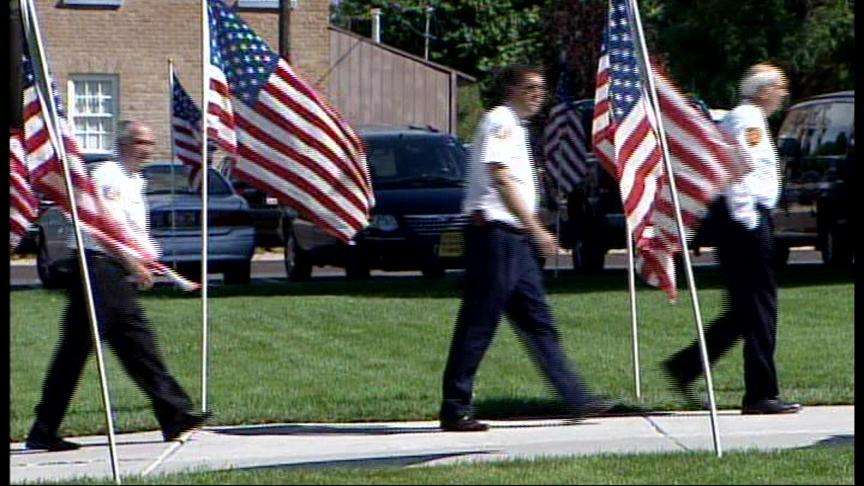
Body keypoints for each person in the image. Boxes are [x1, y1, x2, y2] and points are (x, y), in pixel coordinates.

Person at [439, 65, 613, 432]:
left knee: (538, 321)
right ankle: (455, 408)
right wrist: (537, 229)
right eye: (530, 87)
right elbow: (499, 175)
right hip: (495, 235)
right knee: (479, 323)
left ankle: (576, 398)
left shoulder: (519, 127)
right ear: (512, 88)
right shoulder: (499, 120)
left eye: (542, 88)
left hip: (514, 240)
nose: (538, 94)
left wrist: (532, 226)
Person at [26, 121, 210, 451]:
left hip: (108, 271)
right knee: (136, 343)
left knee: (85, 351)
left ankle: (44, 428)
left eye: (151, 143)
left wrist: (144, 260)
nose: (148, 149)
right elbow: (100, 227)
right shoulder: (108, 176)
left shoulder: (132, 180)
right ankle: (175, 412)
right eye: (142, 142)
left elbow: (127, 230)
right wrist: (131, 263)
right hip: (98, 267)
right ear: (124, 143)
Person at [662, 63, 802, 415]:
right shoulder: (748, 119)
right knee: (760, 308)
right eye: (779, 86)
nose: (784, 93)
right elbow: (736, 171)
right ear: (763, 90)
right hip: (746, 221)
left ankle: (686, 366)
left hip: (742, 221)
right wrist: (749, 220)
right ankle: (760, 394)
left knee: (744, 311)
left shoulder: (746, 118)